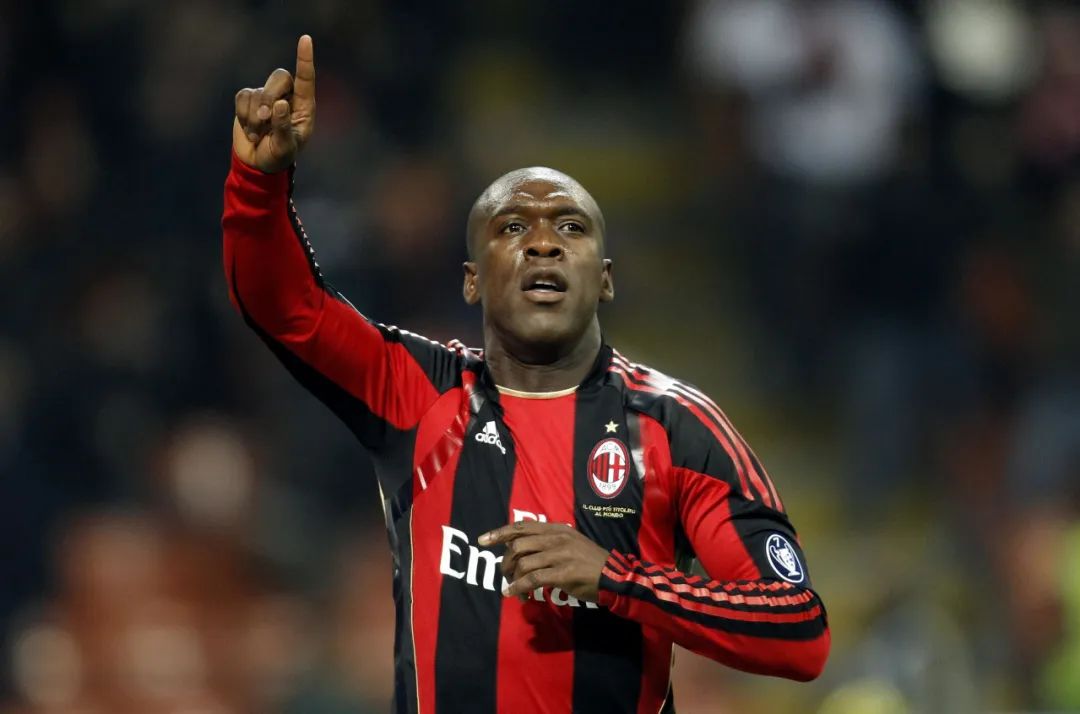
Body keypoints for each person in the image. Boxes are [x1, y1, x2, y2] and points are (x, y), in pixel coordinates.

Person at [222, 35, 829, 714]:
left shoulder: (675, 426)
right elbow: (286, 308)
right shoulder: (419, 392)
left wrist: (616, 579)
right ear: (472, 280)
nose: (543, 242)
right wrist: (259, 185)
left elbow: (798, 632)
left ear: (605, 279)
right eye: (513, 227)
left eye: (570, 228)